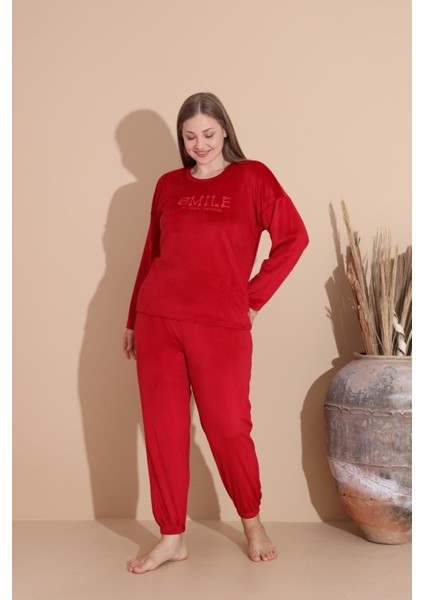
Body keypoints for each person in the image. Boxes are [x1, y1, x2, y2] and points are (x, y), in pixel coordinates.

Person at [122, 92, 309, 574]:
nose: (200, 144)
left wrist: (252, 297)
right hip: (158, 318)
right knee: (163, 432)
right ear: (181, 139)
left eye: (208, 134)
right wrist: (132, 319)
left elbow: (294, 237)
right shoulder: (168, 185)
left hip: (220, 325)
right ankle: (171, 537)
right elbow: (151, 253)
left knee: (228, 428)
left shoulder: (253, 177)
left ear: (225, 130)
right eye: (190, 137)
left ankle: (252, 522)